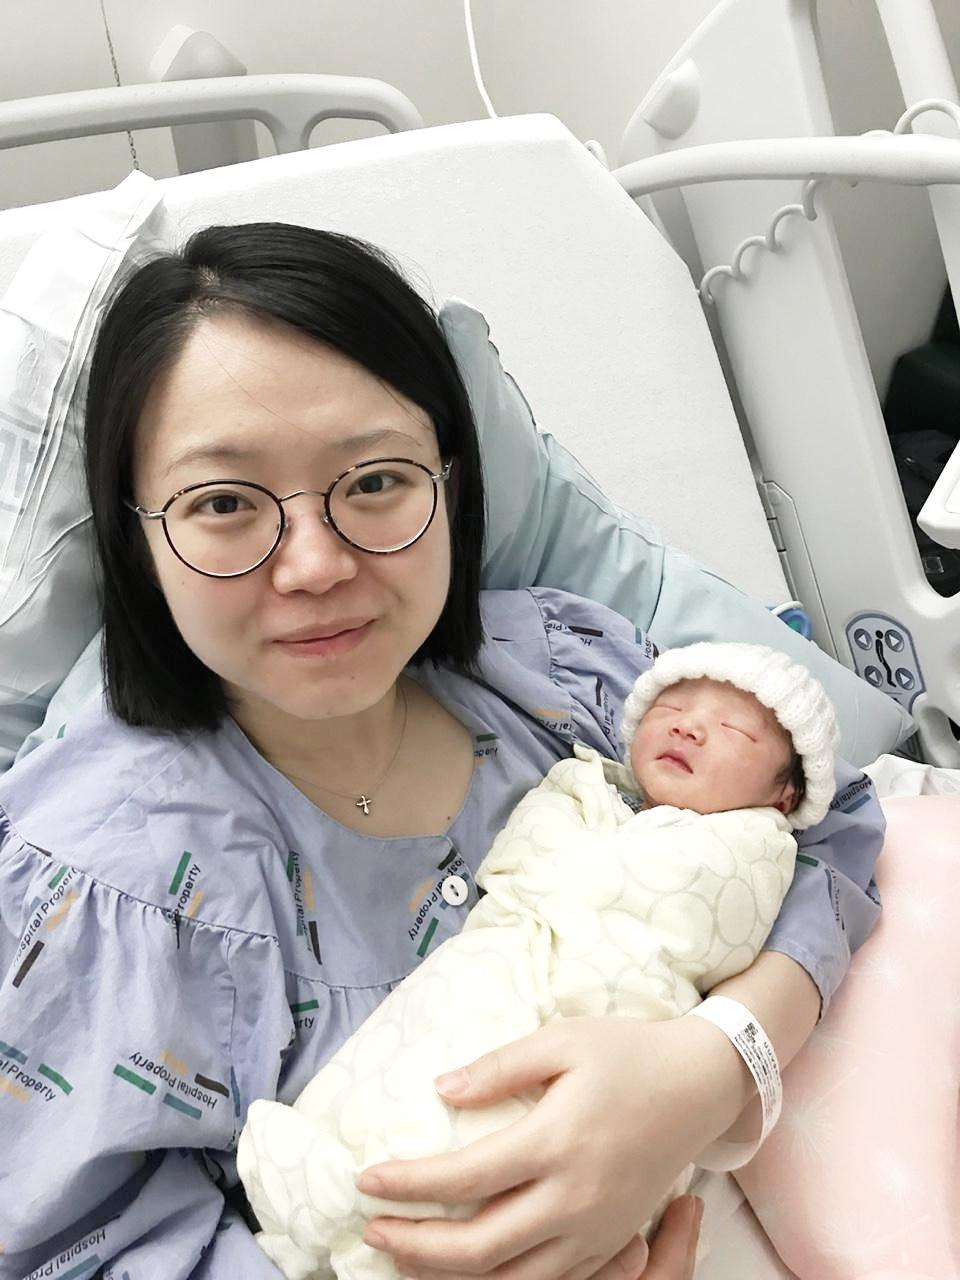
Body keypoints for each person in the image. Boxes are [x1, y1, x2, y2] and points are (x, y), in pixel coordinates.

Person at [0, 223, 884, 1280]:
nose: (316, 564)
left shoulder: (569, 672)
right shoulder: (98, 885)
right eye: (224, 503)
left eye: (375, 481)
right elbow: (73, 1245)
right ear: (137, 538)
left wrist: (712, 1069)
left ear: (451, 489)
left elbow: (831, 819)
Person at [236, 643, 839, 1280]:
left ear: (783, 797)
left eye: (735, 730)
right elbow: (517, 863)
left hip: (622, 1030)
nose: (689, 726)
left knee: (500, 1153)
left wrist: (715, 1061)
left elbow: (773, 883)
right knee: (416, 1065)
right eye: (673, 708)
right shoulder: (583, 787)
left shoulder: (754, 844)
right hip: (494, 964)